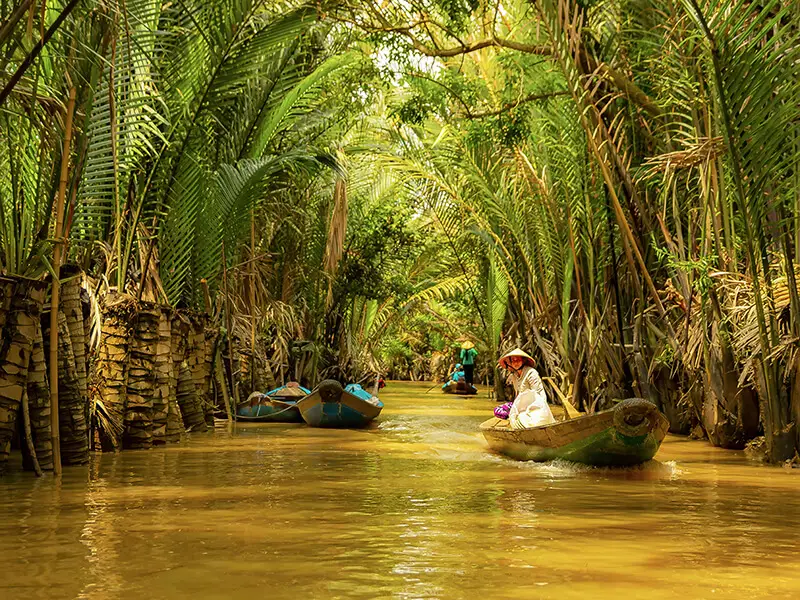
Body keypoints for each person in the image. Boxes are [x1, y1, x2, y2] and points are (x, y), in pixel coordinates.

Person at [493, 348, 555, 429]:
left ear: (523, 361)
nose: (515, 363)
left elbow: (537, 396)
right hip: (521, 406)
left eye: (518, 360)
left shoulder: (531, 373)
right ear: (510, 363)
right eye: (513, 361)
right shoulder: (514, 375)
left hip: (536, 405)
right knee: (498, 410)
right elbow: (517, 396)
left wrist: (523, 410)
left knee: (522, 421)